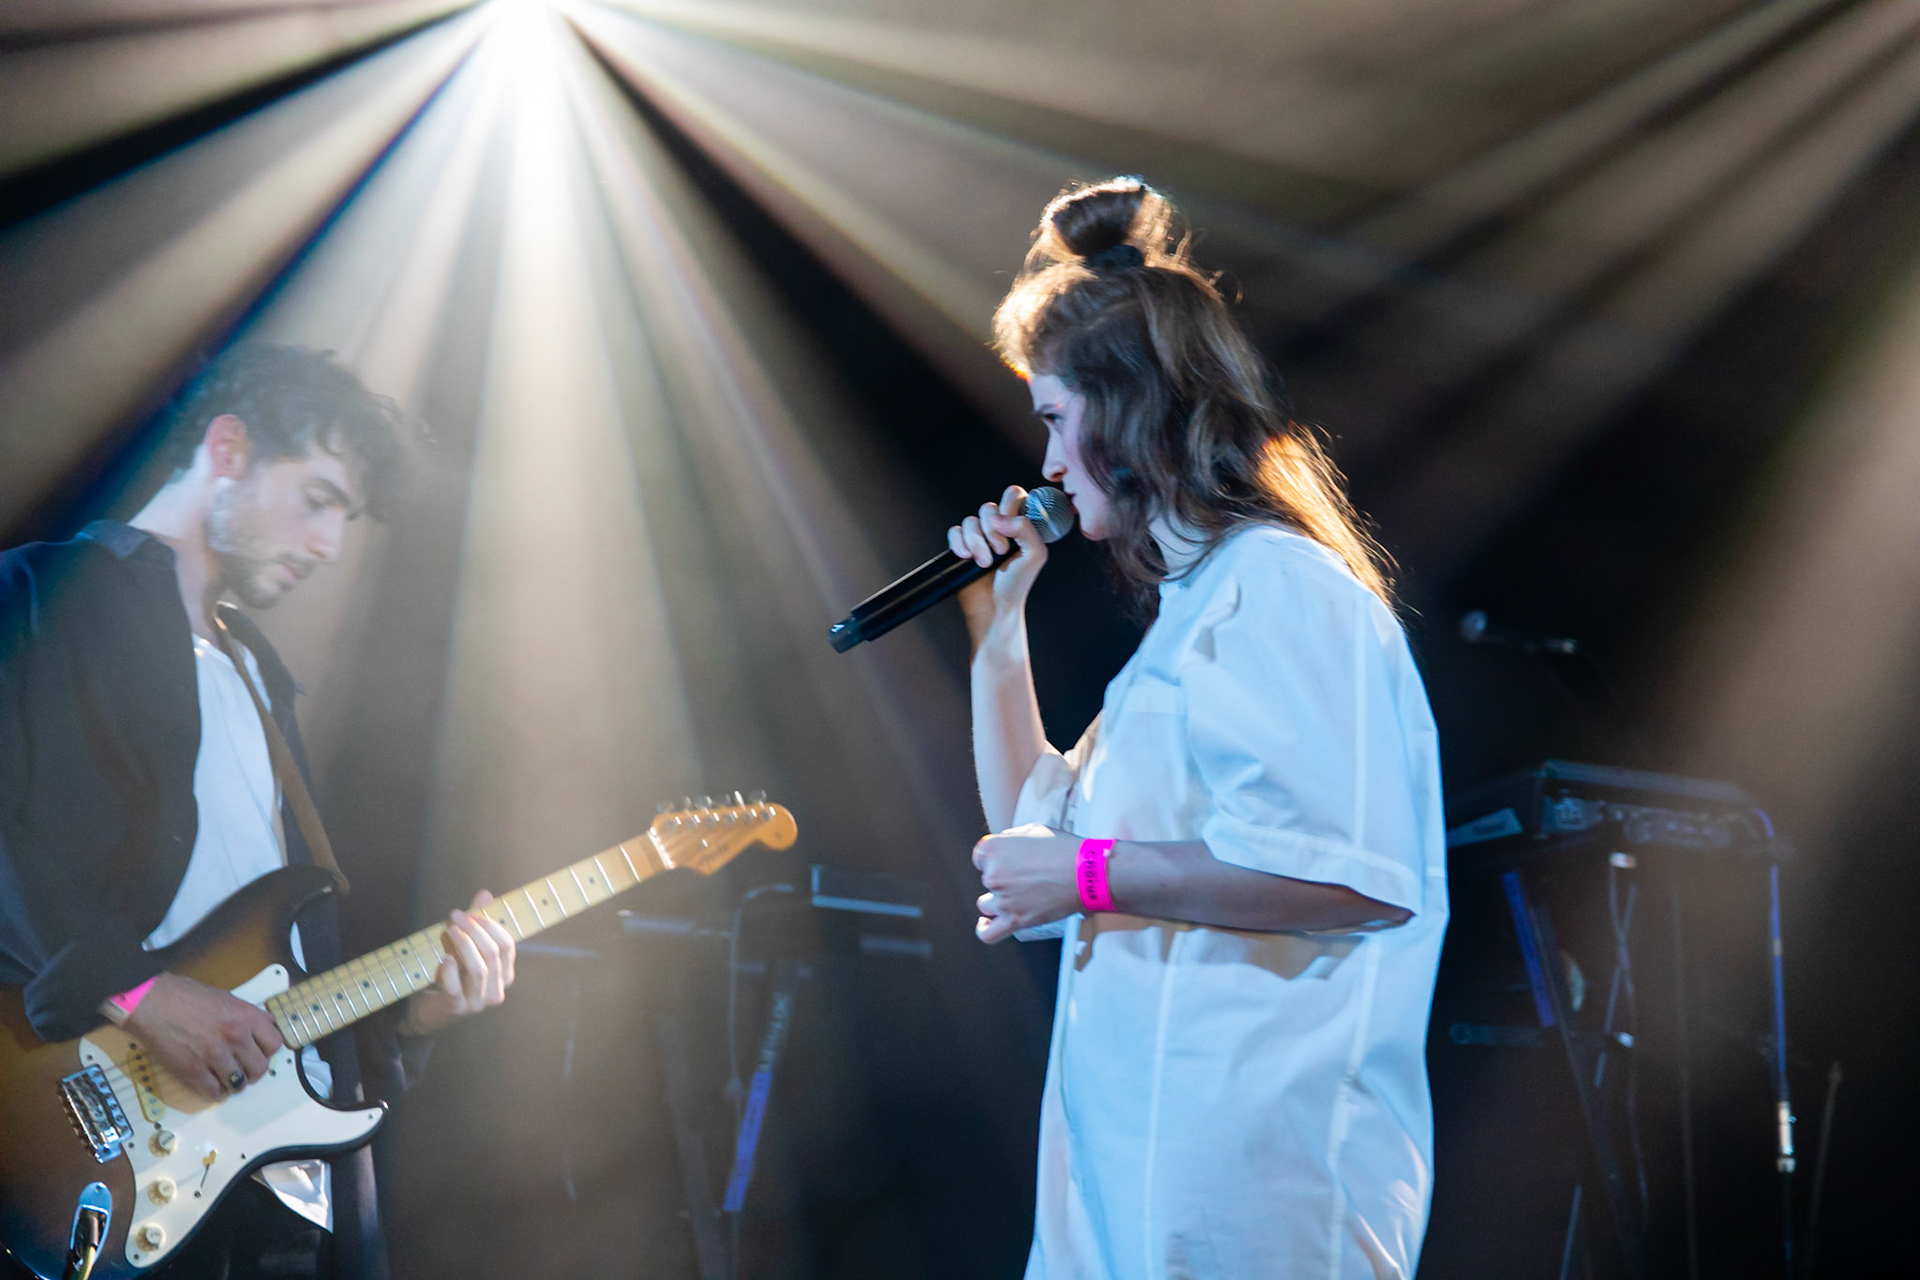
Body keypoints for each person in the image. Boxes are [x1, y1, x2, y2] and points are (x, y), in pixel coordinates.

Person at [949, 179, 1447, 1279]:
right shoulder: (1185, 625)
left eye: (1054, 421)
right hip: (1130, 1199)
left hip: (1252, 1206)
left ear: (1125, 411)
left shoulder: (1279, 589)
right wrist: (998, 624)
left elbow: (1352, 875)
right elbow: (1032, 837)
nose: (1046, 467)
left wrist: (1085, 875)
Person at [0, 344, 517, 1280]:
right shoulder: (44, 595)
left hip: (277, 1192)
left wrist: (413, 1021)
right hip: (99, 1172)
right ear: (228, 449)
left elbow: (277, 980)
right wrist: (139, 991)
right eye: (320, 500)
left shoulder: (259, 681)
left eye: (346, 520)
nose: (330, 546)